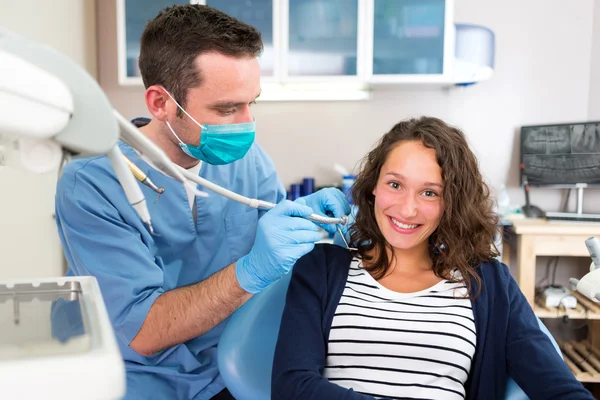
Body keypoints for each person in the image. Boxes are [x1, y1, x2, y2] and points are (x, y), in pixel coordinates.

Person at [54, 4, 349, 400]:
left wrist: (313, 228)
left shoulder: (248, 160)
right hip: (146, 383)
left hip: (240, 366)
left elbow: (283, 269)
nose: (246, 124)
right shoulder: (92, 185)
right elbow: (142, 331)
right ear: (161, 103)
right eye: (227, 109)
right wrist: (253, 269)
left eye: (251, 104)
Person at [271, 116, 594, 399]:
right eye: (395, 184)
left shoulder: (490, 284)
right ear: (373, 187)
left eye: (429, 192)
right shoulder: (322, 269)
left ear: (451, 202)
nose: (407, 209)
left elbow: (557, 389)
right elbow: (291, 385)